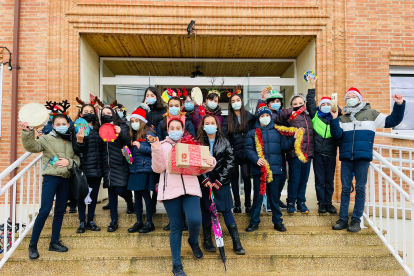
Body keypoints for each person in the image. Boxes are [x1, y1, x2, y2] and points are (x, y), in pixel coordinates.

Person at [330, 88, 405, 232]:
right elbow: (336, 135)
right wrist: (334, 118)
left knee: (360, 189)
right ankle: (343, 220)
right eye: (348, 97)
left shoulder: (371, 114)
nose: (351, 99)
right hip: (346, 157)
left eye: (354, 96)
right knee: (345, 189)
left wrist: (399, 104)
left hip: (362, 158)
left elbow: (392, 120)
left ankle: (356, 220)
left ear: (359, 99)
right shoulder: (342, 118)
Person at [151, 114, 216, 276]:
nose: (175, 130)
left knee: (195, 220)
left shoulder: (191, 144)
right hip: (170, 191)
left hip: (191, 188)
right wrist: (157, 149)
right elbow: (158, 169)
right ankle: (176, 265)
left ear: (183, 129)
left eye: (178, 128)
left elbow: (202, 166)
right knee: (176, 226)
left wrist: (211, 163)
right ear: (167, 130)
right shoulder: (163, 145)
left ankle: (193, 241)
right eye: (171, 128)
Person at [21, 111, 84, 259]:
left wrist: (69, 163)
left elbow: (77, 160)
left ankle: (54, 242)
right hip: (51, 177)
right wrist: (27, 131)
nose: (61, 126)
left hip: (66, 179)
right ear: (53, 126)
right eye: (58, 124)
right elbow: (32, 146)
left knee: (60, 211)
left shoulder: (71, 140)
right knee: (44, 210)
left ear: (69, 125)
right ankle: (32, 245)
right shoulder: (46, 139)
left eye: (64, 124)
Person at [245, 103, 299, 232]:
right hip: (260, 171)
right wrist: (256, 159)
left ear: (270, 117)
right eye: (262, 115)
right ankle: (254, 222)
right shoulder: (252, 133)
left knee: (274, 198)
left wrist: (293, 139)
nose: (265, 117)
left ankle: (278, 222)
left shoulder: (277, 131)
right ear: (258, 118)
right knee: (258, 197)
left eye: (266, 115)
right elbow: (248, 149)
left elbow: (284, 147)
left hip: (274, 171)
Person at [197, 114, 245, 255]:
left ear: (217, 125)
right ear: (203, 125)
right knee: (207, 209)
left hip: (221, 181)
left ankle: (237, 243)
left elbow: (230, 162)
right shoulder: (198, 141)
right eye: (207, 122)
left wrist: (220, 180)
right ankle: (207, 240)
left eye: (212, 122)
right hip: (205, 180)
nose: (210, 125)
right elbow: (196, 161)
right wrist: (204, 178)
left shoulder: (225, 141)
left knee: (226, 210)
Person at [275, 92, 314, 215]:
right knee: (294, 179)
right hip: (294, 153)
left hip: (307, 154)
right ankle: (291, 202)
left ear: (304, 104)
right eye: (294, 104)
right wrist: (288, 112)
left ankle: (301, 202)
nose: (298, 105)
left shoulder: (309, 117)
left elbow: (313, 104)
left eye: (300, 103)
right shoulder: (289, 117)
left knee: (303, 180)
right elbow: (277, 120)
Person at [305, 78, 340, 214]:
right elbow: (311, 104)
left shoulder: (336, 118)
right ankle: (321, 203)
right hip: (318, 154)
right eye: (323, 104)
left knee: (329, 180)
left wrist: (336, 108)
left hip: (331, 154)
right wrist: (312, 87)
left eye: (328, 104)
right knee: (320, 181)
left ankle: (328, 203)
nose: (325, 105)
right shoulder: (315, 116)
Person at [101, 106, 135, 232]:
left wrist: (120, 132)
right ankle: (113, 220)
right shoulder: (100, 128)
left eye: (108, 113)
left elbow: (128, 142)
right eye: (103, 113)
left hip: (120, 163)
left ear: (114, 114)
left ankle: (129, 201)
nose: (106, 115)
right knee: (112, 193)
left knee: (120, 188)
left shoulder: (123, 125)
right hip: (107, 164)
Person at [222, 93, 256, 213]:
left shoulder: (249, 116)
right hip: (233, 154)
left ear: (241, 101)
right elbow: (225, 136)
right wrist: (230, 149)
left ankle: (248, 203)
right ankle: (236, 204)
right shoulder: (228, 119)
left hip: (247, 153)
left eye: (238, 100)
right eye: (233, 101)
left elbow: (254, 133)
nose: (236, 102)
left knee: (247, 177)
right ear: (230, 104)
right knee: (234, 178)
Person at [256, 88, 288, 210]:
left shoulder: (283, 115)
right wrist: (262, 100)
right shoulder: (267, 116)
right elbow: (258, 114)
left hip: (281, 150)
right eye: (273, 101)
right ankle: (269, 201)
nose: (276, 103)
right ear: (268, 104)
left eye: (278, 101)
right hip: (269, 150)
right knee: (270, 177)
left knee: (282, 177)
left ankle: (276, 198)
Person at [126, 108, 156, 234]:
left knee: (145, 195)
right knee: (136, 196)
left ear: (142, 121)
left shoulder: (150, 133)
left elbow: (155, 150)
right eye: (132, 121)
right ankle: (139, 221)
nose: (134, 123)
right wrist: (127, 154)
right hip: (135, 169)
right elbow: (133, 154)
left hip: (145, 169)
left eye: (136, 120)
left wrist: (140, 146)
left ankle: (149, 222)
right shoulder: (132, 134)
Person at [75, 103, 104, 233]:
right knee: (81, 195)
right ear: (81, 114)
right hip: (83, 168)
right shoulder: (76, 129)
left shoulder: (99, 129)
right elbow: (76, 149)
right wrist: (80, 140)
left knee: (93, 196)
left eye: (91, 111)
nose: (89, 113)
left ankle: (90, 220)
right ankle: (82, 222)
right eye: (86, 111)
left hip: (97, 168)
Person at [140, 87, 167, 214]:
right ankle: (150, 206)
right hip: (144, 148)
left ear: (157, 96)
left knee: (158, 180)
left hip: (158, 146)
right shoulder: (144, 110)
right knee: (149, 181)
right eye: (147, 95)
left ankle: (155, 203)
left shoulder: (163, 111)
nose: (149, 97)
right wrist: (143, 109)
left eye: (152, 95)